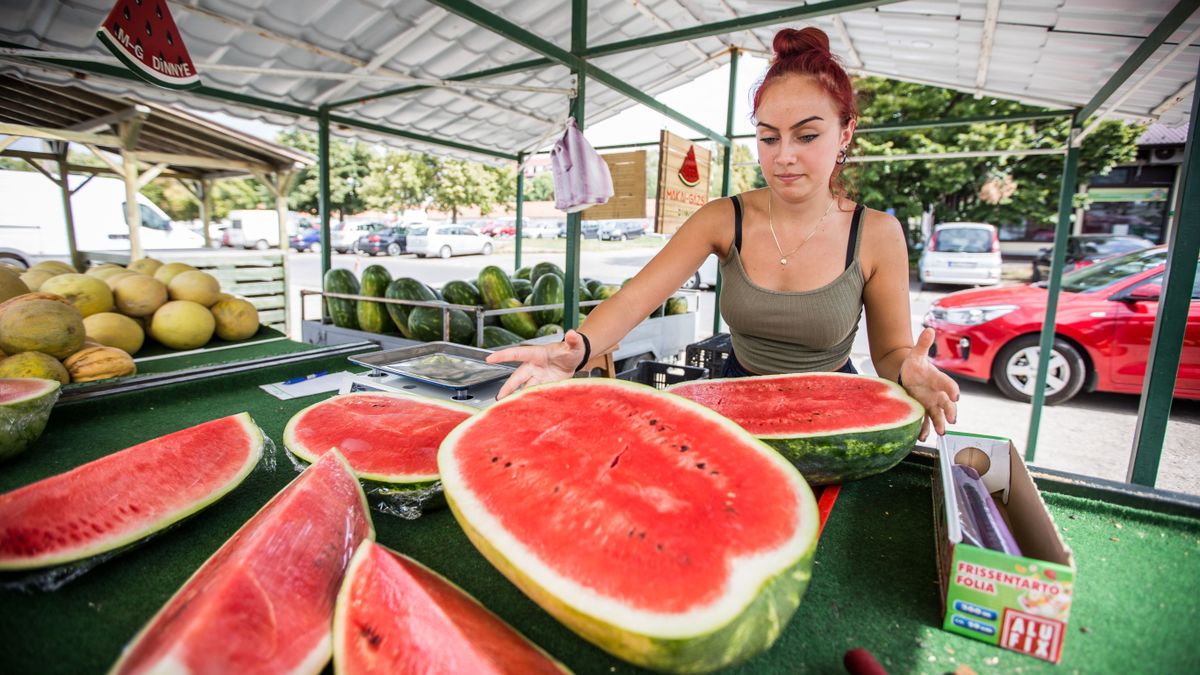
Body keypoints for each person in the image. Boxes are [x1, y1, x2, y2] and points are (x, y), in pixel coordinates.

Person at [489, 26, 958, 440]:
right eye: (769, 137)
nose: (784, 156)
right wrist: (580, 348)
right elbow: (636, 299)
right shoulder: (723, 217)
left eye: (807, 136)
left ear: (846, 132)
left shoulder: (876, 233)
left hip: (834, 412)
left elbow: (892, 352)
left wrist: (908, 372)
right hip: (734, 401)